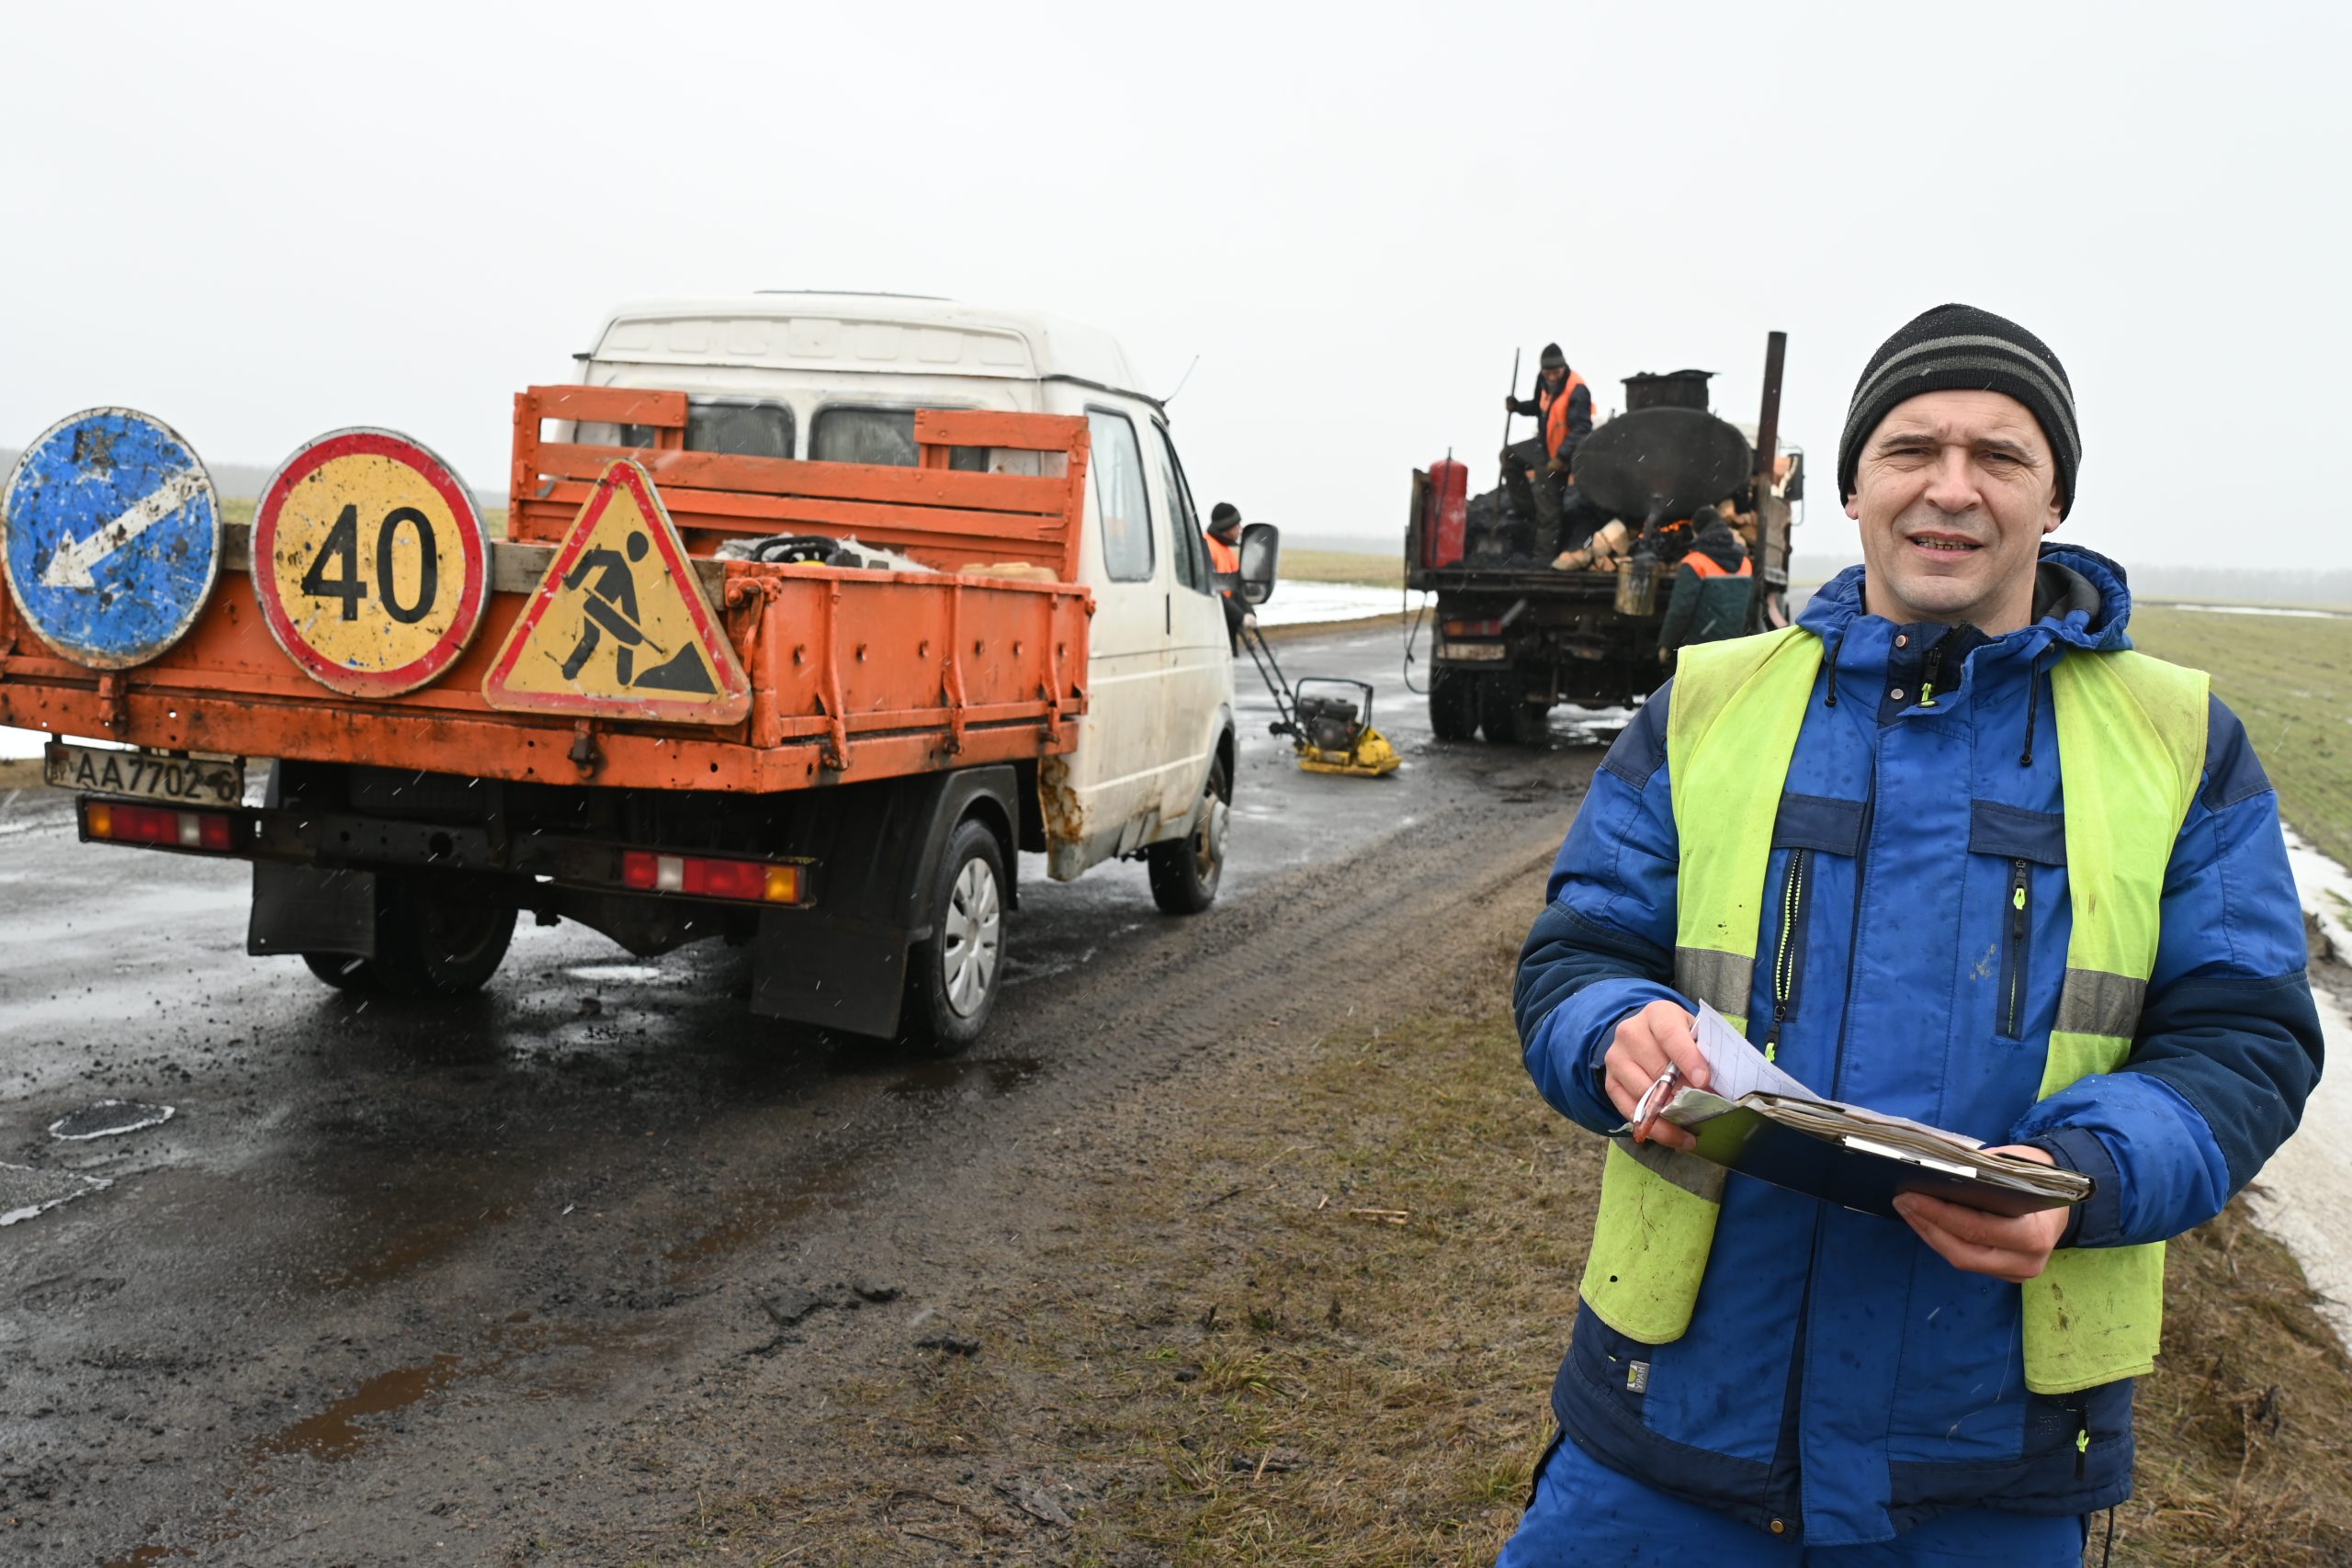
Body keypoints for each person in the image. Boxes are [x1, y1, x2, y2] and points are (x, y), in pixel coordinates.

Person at [1502, 303, 2322, 1564]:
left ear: (2054, 498)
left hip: (1987, 1456)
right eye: (1911, 449)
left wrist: (2086, 1174)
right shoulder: (1707, 708)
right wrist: (1611, 1030)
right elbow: (1577, 951)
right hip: (1670, 1425)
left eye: (1999, 455)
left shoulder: (2180, 742)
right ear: (1850, 489)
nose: (1952, 488)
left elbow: (2248, 1037)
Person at [1501, 344, 1596, 557]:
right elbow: (1538, 406)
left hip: (1563, 456)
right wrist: (1518, 407)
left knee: (1549, 512)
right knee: (1508, 456)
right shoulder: (1543, 380)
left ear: (1564, 368)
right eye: (1548, 372)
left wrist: (1562, 457)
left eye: (1556, 372)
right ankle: (1526, 512)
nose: (1552, 377)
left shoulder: (1578, 390)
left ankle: (1543, 558)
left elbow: (1582, 428)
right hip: (1543, 447)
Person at [1654, 505, 1752, 665]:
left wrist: (1667, 645)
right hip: (1731, 651)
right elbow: (1749, 610)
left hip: (1698, 654)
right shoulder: (1745, 563)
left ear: (1699, 531)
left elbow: (1680, 611)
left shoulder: (1694, 563)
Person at [1204, 501, 1251, 651]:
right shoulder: (1208, 548)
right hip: (1212, 624)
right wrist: (1240, 616)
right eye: (1237, 524)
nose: (1240, 529)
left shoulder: (1227, 551)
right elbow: (1212, 589)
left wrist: (1249, 612)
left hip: (1226, 621)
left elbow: (1237, 587)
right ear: (1227, 527)